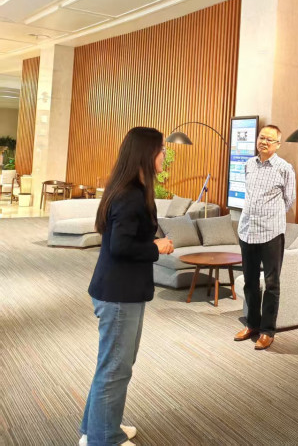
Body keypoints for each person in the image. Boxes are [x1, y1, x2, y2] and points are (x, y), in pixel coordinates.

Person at [80, 127, 175, 446]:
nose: (164, 156)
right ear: (147, 154)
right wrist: (156, 247)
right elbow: (121, 246)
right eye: (161, 150)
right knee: (116, 368)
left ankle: (95, 429)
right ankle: (105, 438)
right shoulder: (130, 195)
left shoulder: (131, 189)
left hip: (120, 290)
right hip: (119, 294)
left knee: (113, 364)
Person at [234, 125, 296, 350]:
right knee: (250, 282)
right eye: (261, 137)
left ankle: (268, 330)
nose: (264, 142)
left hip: (271, 233)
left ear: (277, 144)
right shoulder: (249, 164)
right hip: (247, 231)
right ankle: (252, 324)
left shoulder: (284, 168)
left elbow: (289, 200)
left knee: (271, 284)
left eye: (270, 140)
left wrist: (270, 216)